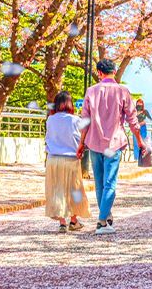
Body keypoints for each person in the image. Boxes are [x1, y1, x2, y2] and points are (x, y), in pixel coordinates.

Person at [77, 59, 144, 235]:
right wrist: (139, 140)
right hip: (114, 143)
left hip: (94, 142)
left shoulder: (91, 91)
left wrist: (80, 143)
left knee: (99, 183)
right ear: (114, 72)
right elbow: (132, 119)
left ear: (99, 73)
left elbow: (85, 120)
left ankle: (105, 217)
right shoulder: (123, 91)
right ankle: (102, 221)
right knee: (110, 183)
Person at [46, 91, 90, 234]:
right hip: (71, 159)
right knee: (74, 190)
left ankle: (62, 222)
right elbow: (80, 138)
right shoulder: (75, 120)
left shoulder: (50, 120)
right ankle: (73, 220)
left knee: (57, 190)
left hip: (53, 159)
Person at [130, 99, 151, 163]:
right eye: (138, 103)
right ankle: (136, 157)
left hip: (143, 127)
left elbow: (150, 119)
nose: (139, 105)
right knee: (136, 142)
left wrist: (144, 121)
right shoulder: (134, 111)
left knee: (143, 141)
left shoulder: (145, 111)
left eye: (141, 103)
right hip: (136, 127)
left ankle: (142, 157)